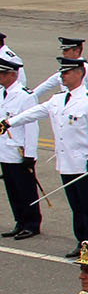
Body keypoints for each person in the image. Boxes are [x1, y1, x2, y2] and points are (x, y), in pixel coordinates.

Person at [2, 57, 88, 255]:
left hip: (84, 163)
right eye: (61, 72)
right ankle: (81, 242)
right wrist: (10, 122)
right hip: (66, 163)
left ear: (79, 74)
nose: (62, 76)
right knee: (76, 206)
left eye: (66, 72)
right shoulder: (58, 99)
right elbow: (36, 112)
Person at [0, 56, 44, 239]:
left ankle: (32, 223)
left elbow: (32, 126)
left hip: (18, 150)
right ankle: (19, 221)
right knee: (12, 189)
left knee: (25, 189)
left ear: (12, 75)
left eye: (2, 74)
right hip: (4, 150)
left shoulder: (25, 96)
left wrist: (30, 154)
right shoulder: (2, 92)